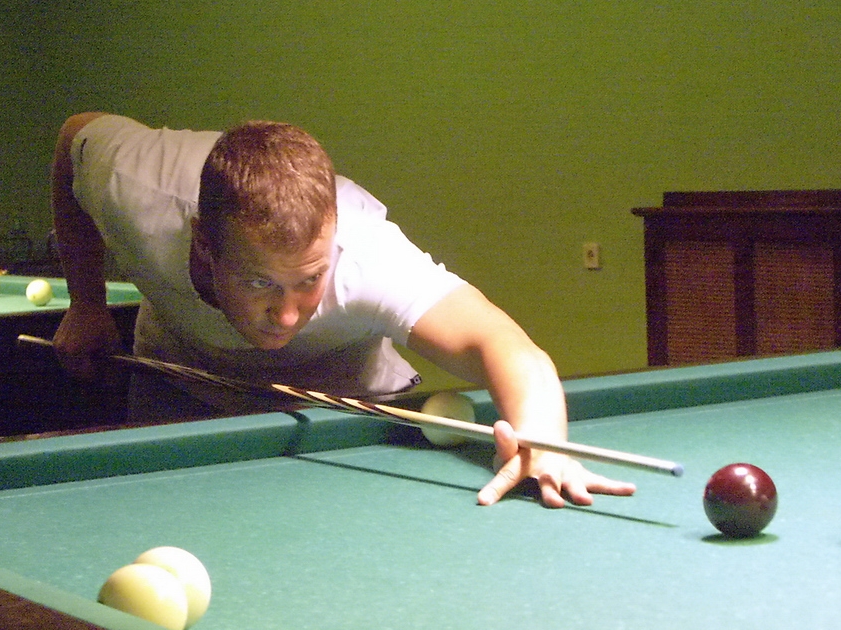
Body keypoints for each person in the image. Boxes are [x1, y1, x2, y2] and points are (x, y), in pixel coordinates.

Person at [49, 112, 633, 508]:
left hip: (341, 404)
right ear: (205, 243)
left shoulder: (366, 258)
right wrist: (86, 303)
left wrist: (545, 442)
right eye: (260, 282)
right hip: (181, 380)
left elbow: (503, 345)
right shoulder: (134, 185)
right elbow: (74, 137)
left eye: (309, 281)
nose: (286, 315)